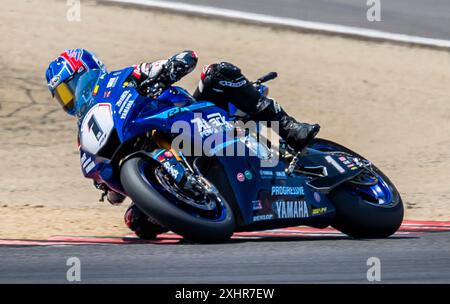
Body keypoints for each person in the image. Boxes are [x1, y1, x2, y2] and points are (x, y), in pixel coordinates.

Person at [45, 48, 320, 239]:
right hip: (151, 150)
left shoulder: (120, 78)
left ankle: (290, 128)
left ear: (89, 72)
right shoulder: (85, 134)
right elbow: (115, 195)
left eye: (72, 86)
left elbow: (179, 60)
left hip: (190, 116)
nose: (71, 98)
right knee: (138, 223)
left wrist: (171, 67)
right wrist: (108, 183)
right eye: (63, 96)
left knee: (217, 73)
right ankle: (199, 204)